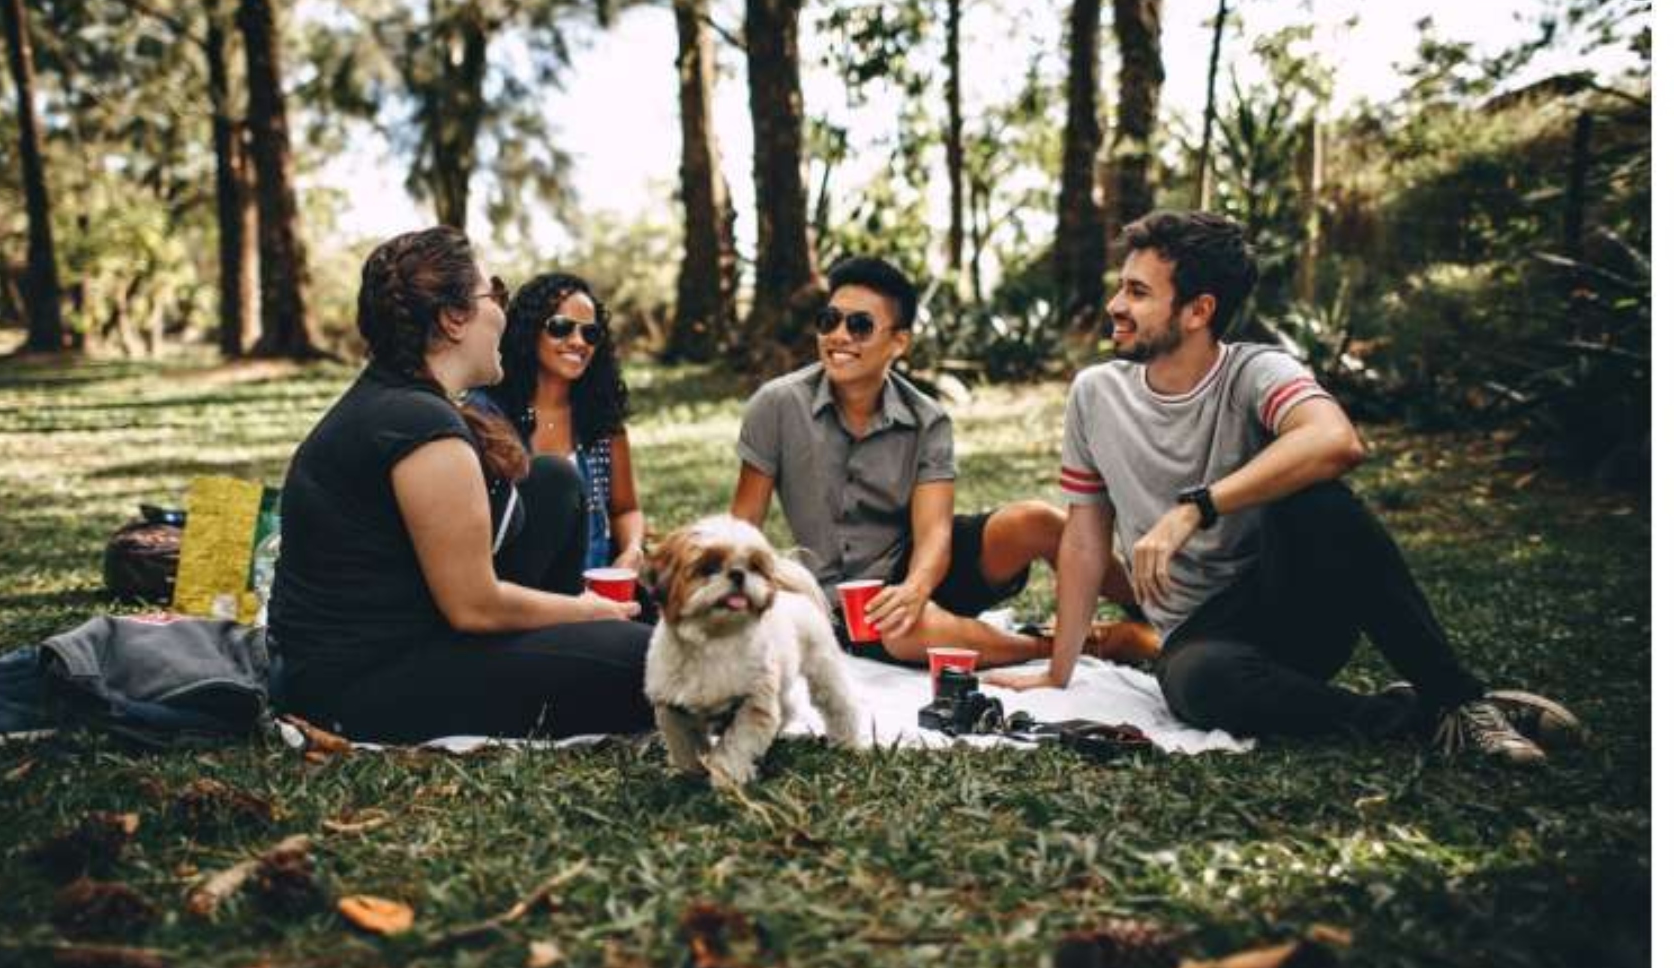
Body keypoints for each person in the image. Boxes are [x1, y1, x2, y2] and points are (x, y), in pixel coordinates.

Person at [986, 210, 1581, 765]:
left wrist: (1195, 508)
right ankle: (1422, 716)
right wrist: (1057, 673)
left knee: (1319, 498)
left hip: (1294, 607)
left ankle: (1459, 698)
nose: (1116, 304)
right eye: (1122, 286)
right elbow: (1086, 539)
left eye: (1138, 293)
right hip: (1200, 638)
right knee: (1199, 685)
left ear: (1198, 310)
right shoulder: (1096, 393)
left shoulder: (1256, 371)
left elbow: (1336, 441)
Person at [268, 227, 653, 743]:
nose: (503, 309)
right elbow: (474, 605)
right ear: (453, 319)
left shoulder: (402, 399)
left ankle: (577, 643)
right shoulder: (419, 428)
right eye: (493, 292)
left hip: (412, 633)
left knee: (553, 482)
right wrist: (588, 611)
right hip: (365, 683)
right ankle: (585, 644)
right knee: (657, 664)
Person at [730, 255, 1066, 668]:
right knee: (901, 629)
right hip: (847, 602)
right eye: (829, 320)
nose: (838, 336)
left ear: (899, 342)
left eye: (860, 325)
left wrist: (916, 588)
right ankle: (1063, 647)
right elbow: (742, 528)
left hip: (922, 568)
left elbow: (934, 536)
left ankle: (1152, 613)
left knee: (1037, 520)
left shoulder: (928, 419)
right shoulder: (776, 405)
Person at [489, 274, 646, 574]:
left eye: (590, 333)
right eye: (561, 328)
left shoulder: (601, 419)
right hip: (517, 595)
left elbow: (626, 509)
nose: (577, 342)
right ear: (529, 331)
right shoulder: (491, 416)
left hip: (593, 590)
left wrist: (631, 551)